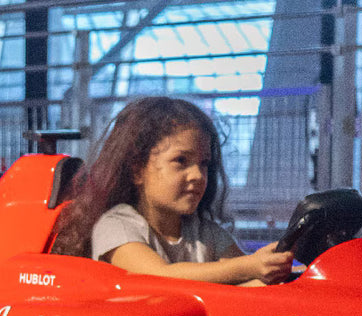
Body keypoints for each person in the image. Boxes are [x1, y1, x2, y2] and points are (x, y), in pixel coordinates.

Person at [51, 97, 293, 286]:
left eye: (204, 164)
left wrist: (274, 269)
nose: (198, 175)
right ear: (138, 170)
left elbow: (246, 281)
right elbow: (159, 277)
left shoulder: (205, 234)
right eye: (181, 160)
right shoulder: (117, 225)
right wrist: (250, 266)